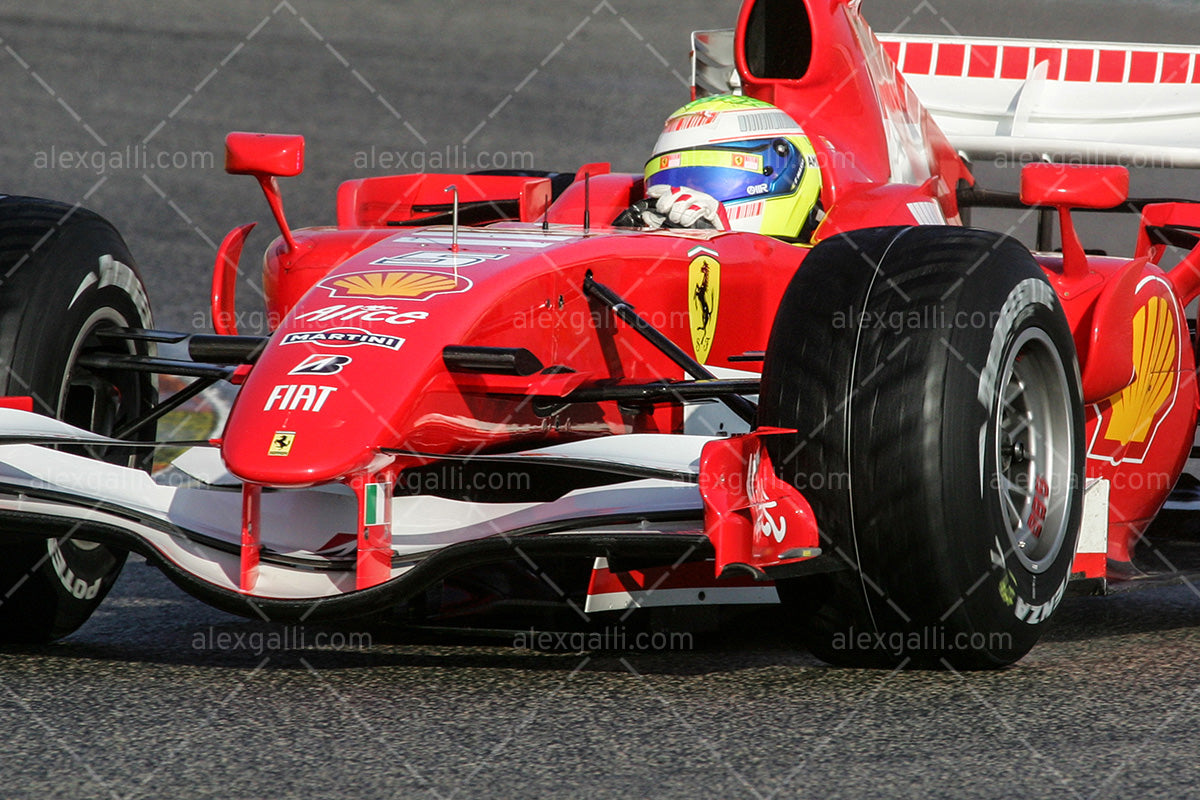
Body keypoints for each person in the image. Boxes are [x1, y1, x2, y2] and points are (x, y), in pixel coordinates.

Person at [619, 94, 823, 241]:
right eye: (673, 181)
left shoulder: (827, 275)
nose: (677, 199)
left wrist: (726, 247)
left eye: (703, 181)